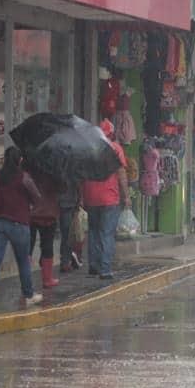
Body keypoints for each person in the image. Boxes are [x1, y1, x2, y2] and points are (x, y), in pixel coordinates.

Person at [0, 146, 43, 306]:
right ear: (20, 160)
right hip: (18, 222)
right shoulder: (24, 178)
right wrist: (28, 205)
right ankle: (29, 295)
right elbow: (37, 198)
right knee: (23, 261)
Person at [82, 119, 130, 280]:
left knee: (94, 231)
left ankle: (93, 265)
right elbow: (122, 174)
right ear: (111, 133)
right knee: (107, 233)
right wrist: (126, 196)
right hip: (109, 198)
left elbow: (81, 173)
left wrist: (82, 196)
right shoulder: (115, 149)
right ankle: (105, 269)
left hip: (91, 197)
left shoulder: (89, 149)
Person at [28, 169, 61, 288]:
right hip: (48, 214)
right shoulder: (54, 172)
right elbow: (62, 189)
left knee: (28, 247)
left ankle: (26, 280)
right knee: (47, 246)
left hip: (31, 213)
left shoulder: (30, 170)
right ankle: (47, 279)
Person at [58, 183, 82, 273]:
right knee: (68, 234)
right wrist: (80, 199)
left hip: (62, 203)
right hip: (68, 204)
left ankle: (67, 259)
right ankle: (66, 261)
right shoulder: (72, 170)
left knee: (67, 234)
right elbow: (78, 185)